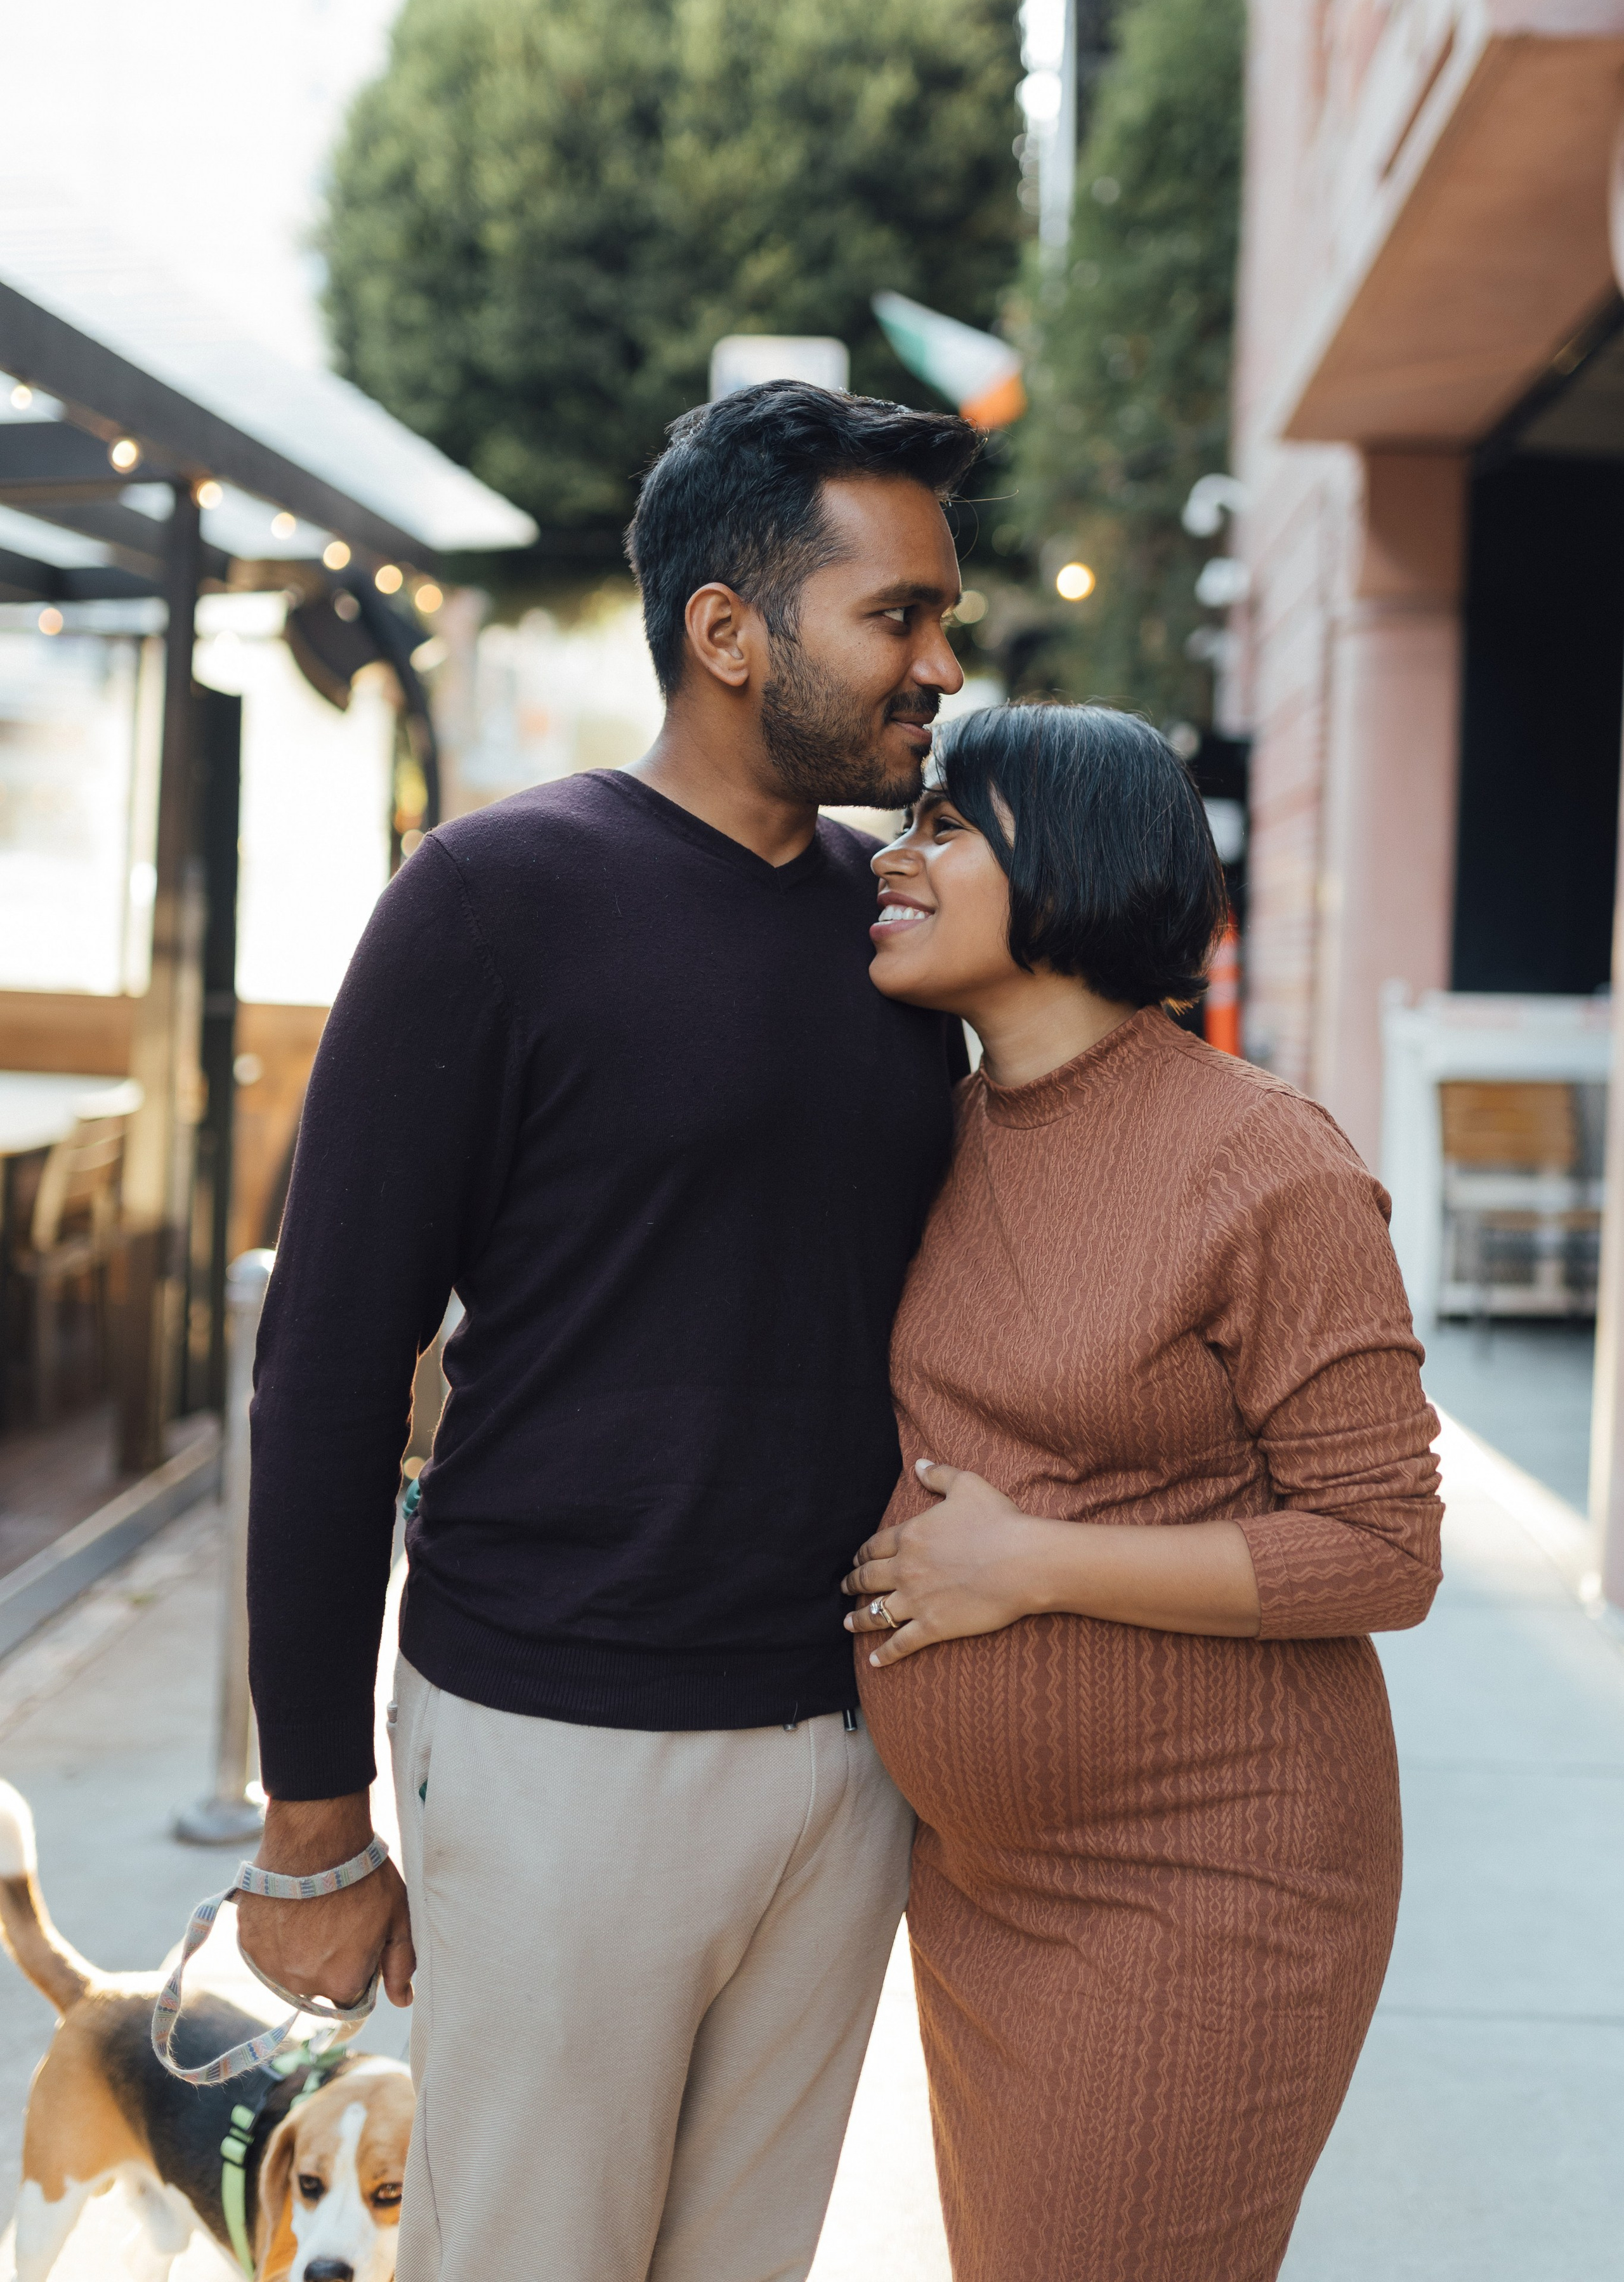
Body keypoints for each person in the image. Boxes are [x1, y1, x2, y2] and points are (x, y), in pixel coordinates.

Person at [240, 383, 984, 2282]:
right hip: (565, 1740)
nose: (939, 663)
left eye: (941, 618)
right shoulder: (491, 901)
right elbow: (327, 1372)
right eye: (896, 615)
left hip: (846, 1746)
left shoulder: (903, 939)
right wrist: (314, 1822)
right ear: (727, 632)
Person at [841, 701, 1443, 2282]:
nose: (891, 859)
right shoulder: (937, 1129)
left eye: (941, 827)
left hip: (1202, 1879)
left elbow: (1384, 1547)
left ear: (1077, 865)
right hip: (980, 1886)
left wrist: (1029, 1567)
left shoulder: (1265, 1163)